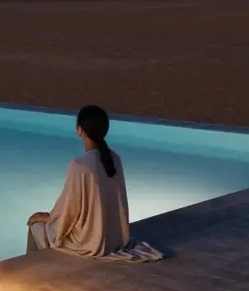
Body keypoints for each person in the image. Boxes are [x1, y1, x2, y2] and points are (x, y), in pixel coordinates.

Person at [26, 105, 160, 260]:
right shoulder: (114, 158)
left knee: (35, 225)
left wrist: (47, 217)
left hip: (88, 242)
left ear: (80, 130)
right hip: (113, 239)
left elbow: (69, 211)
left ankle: (35, 268)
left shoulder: (79, 165)